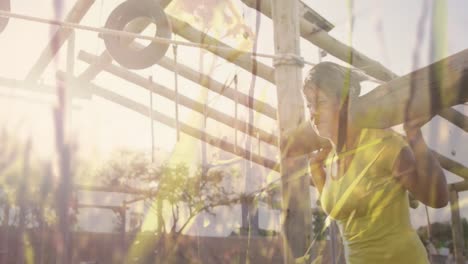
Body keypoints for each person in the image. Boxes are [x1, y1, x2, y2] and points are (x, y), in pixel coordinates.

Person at [302, 62, 448, 263]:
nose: (313, 113)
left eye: (321, 102)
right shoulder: (330, 160)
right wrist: (316, 171)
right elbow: (339, 209)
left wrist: (413, 134)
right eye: (309, 105)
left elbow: (438, 198)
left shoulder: (381, 144)